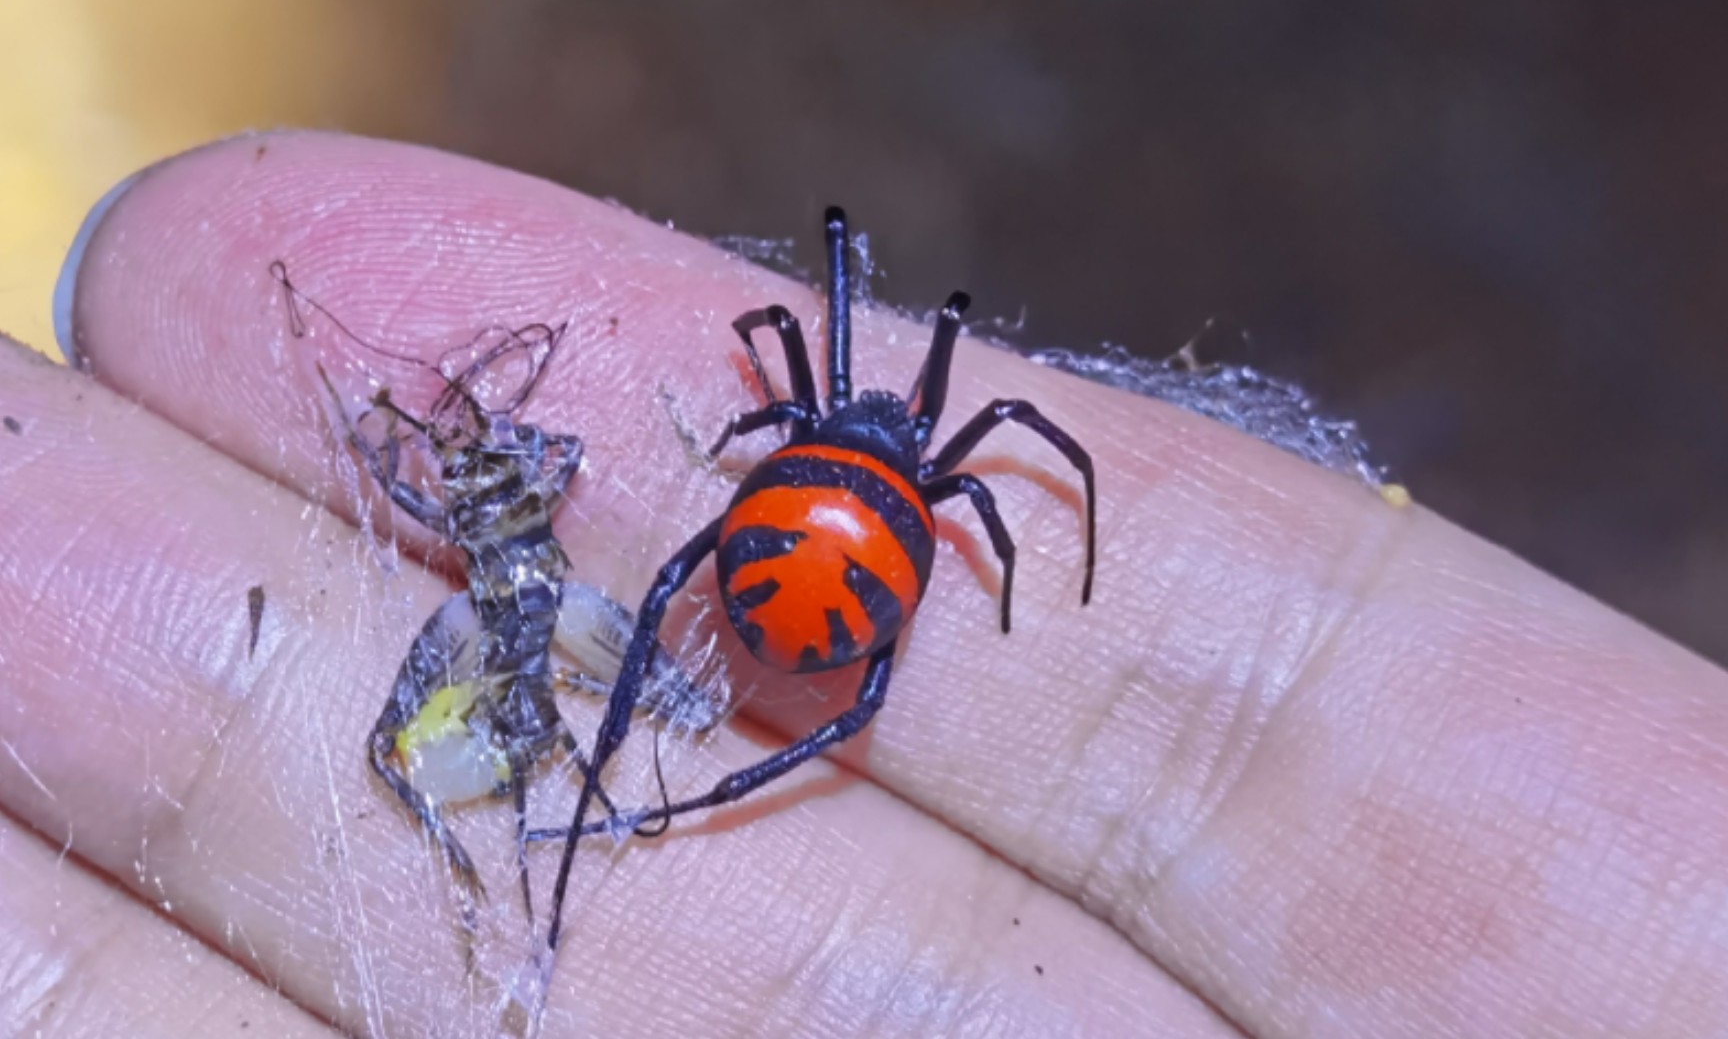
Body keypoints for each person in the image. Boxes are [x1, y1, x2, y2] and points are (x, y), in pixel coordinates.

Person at [3, 131, 1722, 1038]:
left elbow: (863, 367)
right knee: (801, 625)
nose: (827, 351)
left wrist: (853, 480)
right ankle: (634, 789)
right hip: (829, 566)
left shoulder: (857, 424)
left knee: (759, 593)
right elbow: (927, 409)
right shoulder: (934, 458)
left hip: (808, 553)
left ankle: (631, 794)